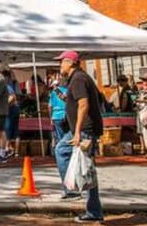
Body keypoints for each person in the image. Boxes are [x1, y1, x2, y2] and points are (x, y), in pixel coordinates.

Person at [53, 50, 104, 223]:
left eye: (62, 62)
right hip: (85, 129)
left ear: (70, 62)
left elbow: (83, 105)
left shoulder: (78, 79)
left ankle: (72, 190)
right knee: (88, 170)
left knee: (61, 151)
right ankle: (94, 211)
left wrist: (77, 132)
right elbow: (88, 99)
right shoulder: (79, 79)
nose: (60, 65)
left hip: (84, 130)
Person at [3, 69, 21, 157]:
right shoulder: (10, 85)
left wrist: (5, 105)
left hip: (11, 109)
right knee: (15, 131)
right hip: (15, 109)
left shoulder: (7, 86)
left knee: (8, 129)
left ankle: (7, 149)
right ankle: (15, 152)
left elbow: (12, 97)